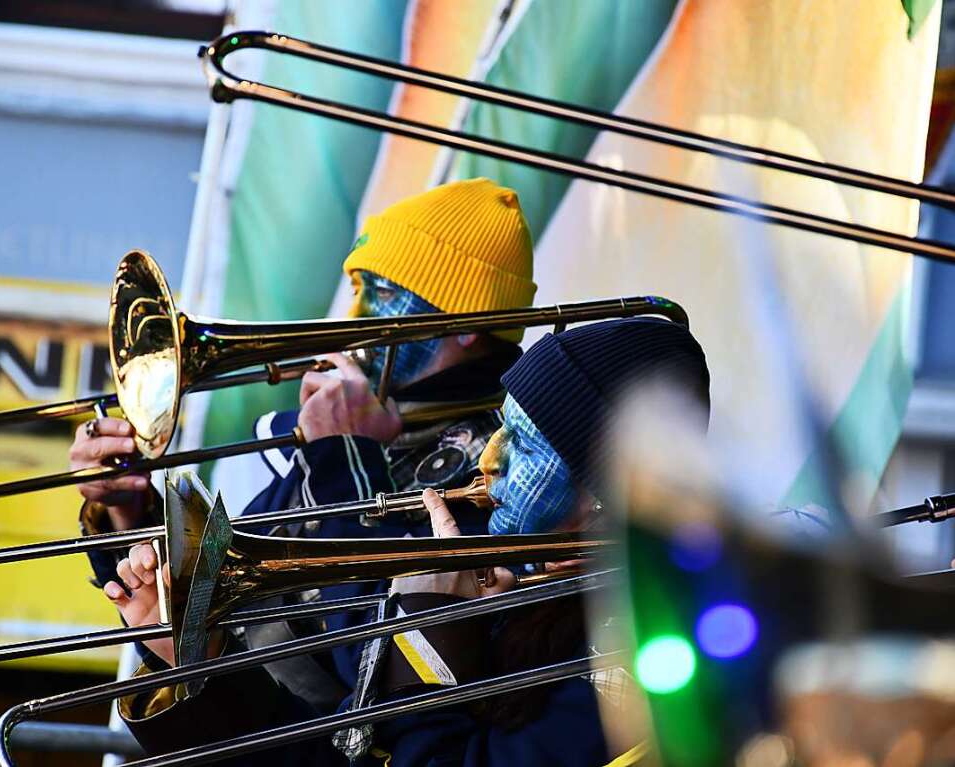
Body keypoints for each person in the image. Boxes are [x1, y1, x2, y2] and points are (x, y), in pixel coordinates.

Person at [107, 317, 711, 767]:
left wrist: (429, 624)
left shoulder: (633, 649)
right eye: (502, 427)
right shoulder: (518, 576)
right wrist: (197, 660)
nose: (490, 462)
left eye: (524, 445)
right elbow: (334, 755)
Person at [71, 178, 537, 710]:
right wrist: (127, 512)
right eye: (357, 289)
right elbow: (221, 586)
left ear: (464, 325)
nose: (354, 317)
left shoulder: (500, 460)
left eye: (381, 293)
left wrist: (342, 456)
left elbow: (372, 652)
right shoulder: (371, 422)